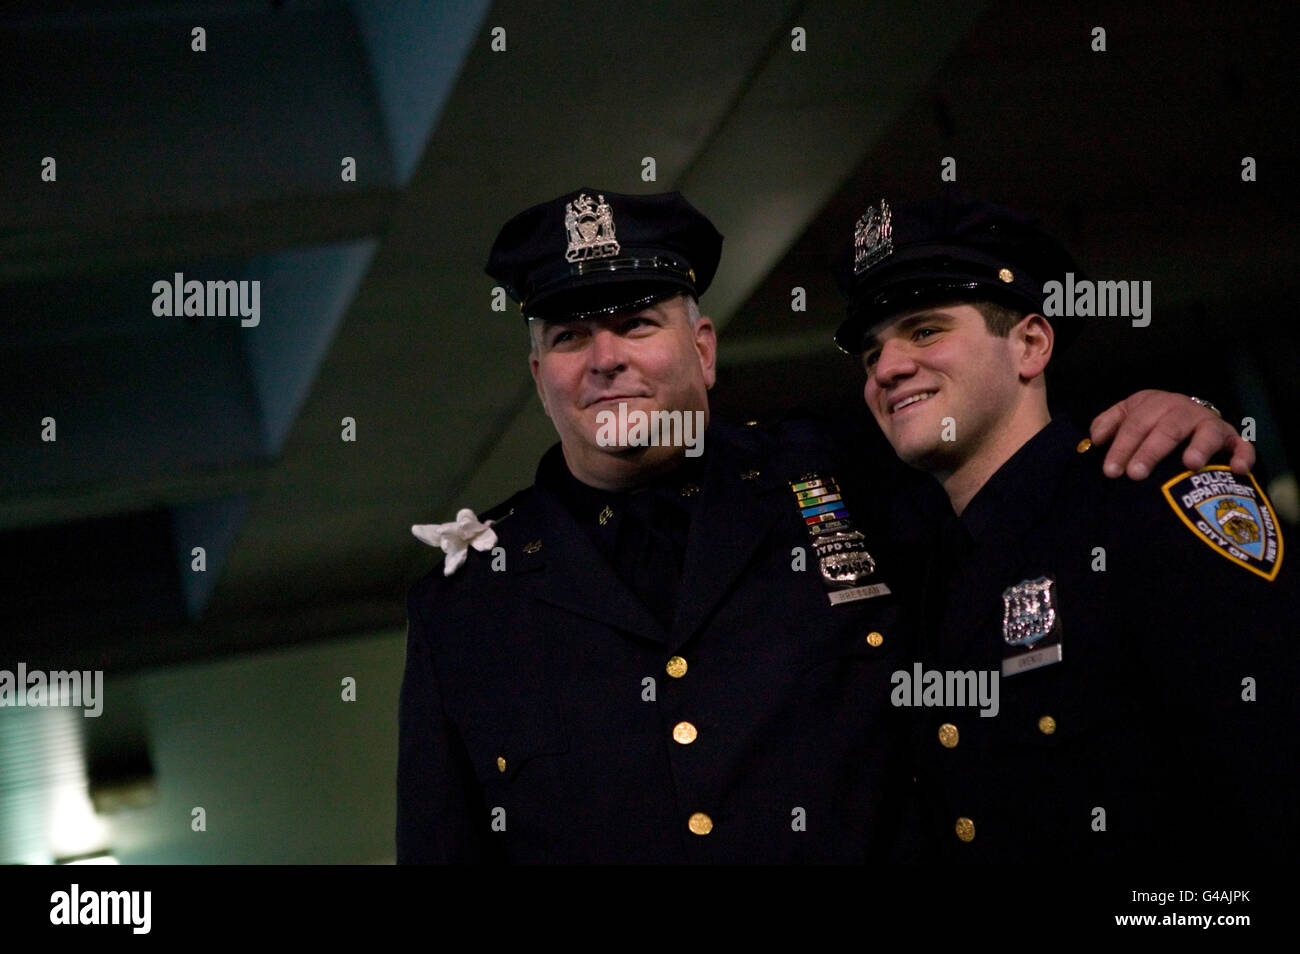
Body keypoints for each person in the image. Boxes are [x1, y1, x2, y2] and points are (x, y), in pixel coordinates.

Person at [396, 187, 1250, 863]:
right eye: (572, 334)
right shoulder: (464, 603)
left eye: (636, 323)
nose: (606, 357)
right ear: (538, 370)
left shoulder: (850, 477)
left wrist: (1175, 414)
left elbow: (1011, 458)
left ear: (703, 348)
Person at [833, 191, 1298, 862]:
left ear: (1029, 343)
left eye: (926, 329)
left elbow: (1275, 776)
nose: (888, 368)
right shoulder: (930, 571)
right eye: (871, 351)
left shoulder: (1153, 495)